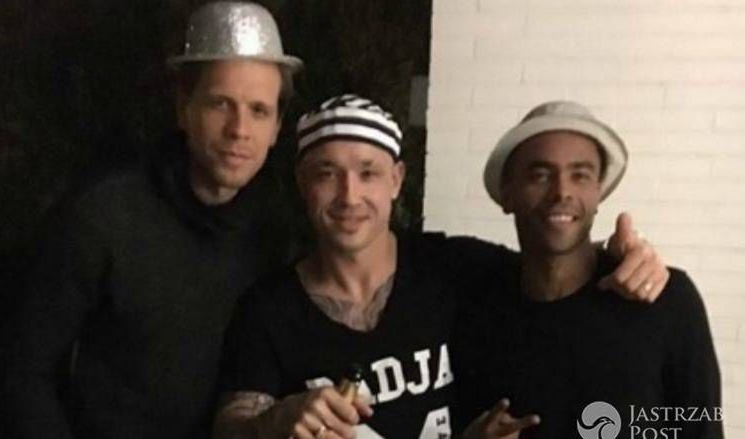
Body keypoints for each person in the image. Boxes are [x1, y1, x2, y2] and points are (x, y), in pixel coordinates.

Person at [213, 95, 669, 439]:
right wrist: (274, 422)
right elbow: (229, 426)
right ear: (302, 183)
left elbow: (556, 268)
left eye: (368, 173)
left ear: (396, 180)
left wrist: (625, 256)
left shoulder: (453, 267)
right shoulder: (267, 309)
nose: (350, 196)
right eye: (327, 174)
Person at [2, 2, 302, 438]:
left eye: (259, 110)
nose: (239, 130)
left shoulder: (276, 232)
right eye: (221, 103)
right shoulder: (102, 218)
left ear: (276, 127)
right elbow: (22, 371)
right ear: (184, 107)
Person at [455, 101, 723, 439]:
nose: (562, 191)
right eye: (540, 175)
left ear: (599, 192)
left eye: (580, 175)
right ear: (508, 193)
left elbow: (702, 429)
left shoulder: (665, 299)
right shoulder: (475, 307)